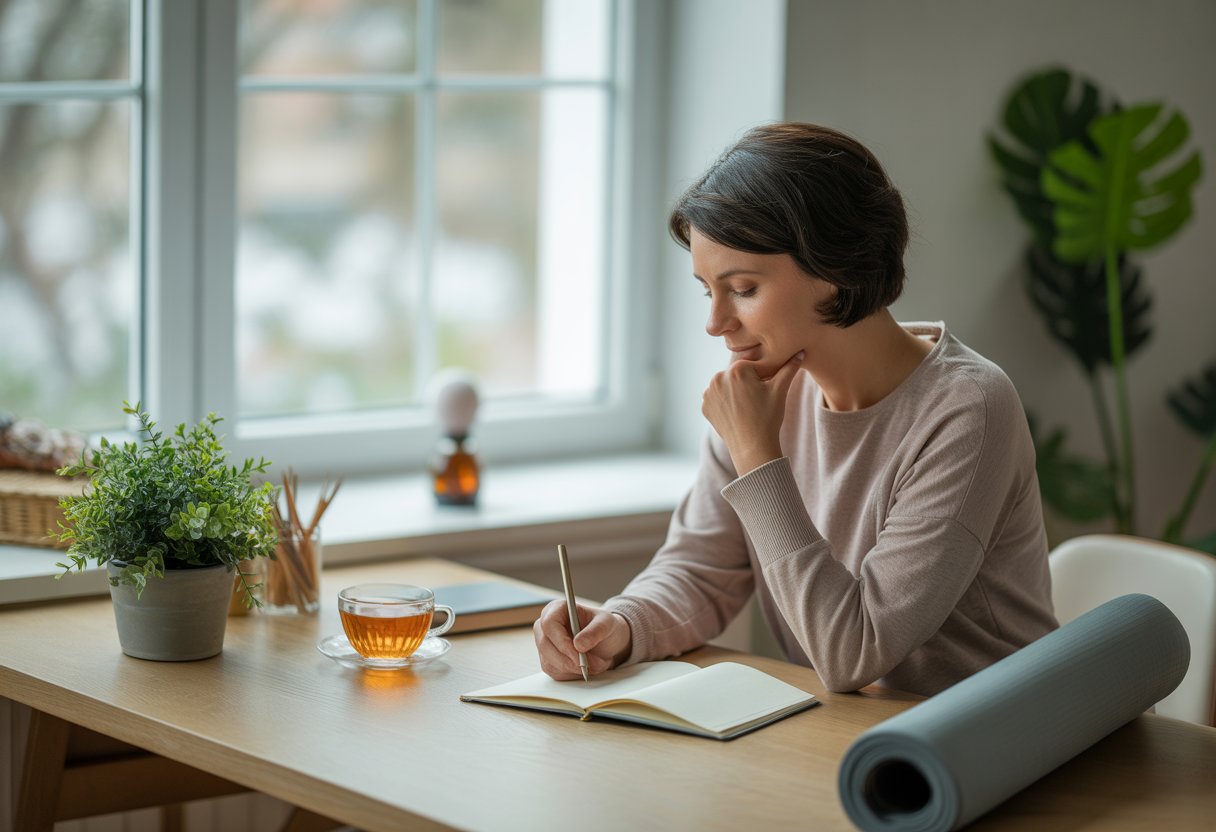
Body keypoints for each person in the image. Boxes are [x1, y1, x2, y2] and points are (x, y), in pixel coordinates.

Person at [533, 123, 1057, 696]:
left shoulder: (967, 408)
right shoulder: (763, 396)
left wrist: (758, 455)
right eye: (708, 290)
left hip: (992, 735)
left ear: (835, 269)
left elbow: (856, 653)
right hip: (849, 732)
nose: (716, 323)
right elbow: (702, 570)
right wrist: (623, 624)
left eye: (743, 288)